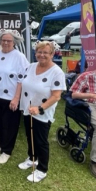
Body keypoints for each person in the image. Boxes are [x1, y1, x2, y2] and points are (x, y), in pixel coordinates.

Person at [19, 41, 66, 182]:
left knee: (41, 141)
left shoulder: (57, 72)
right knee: (30, 135)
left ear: (52, 54)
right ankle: (32, 158)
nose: (42, 55)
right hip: (28, 108)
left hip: (42, 112)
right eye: (39, 52)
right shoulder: (31, 66)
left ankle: (42, 169)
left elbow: (56, 96)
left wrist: (39, 108)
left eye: (46, 52)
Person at [0, 29, 29, 164]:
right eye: (4, 40)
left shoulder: (19, 57)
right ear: (0, 41)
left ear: (14, 42)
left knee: (9, 125)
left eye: (9, 41)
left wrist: (16, 98)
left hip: (10, 97)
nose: (6, 43)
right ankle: (1, 144)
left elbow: (22, 79)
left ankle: (7, 151)